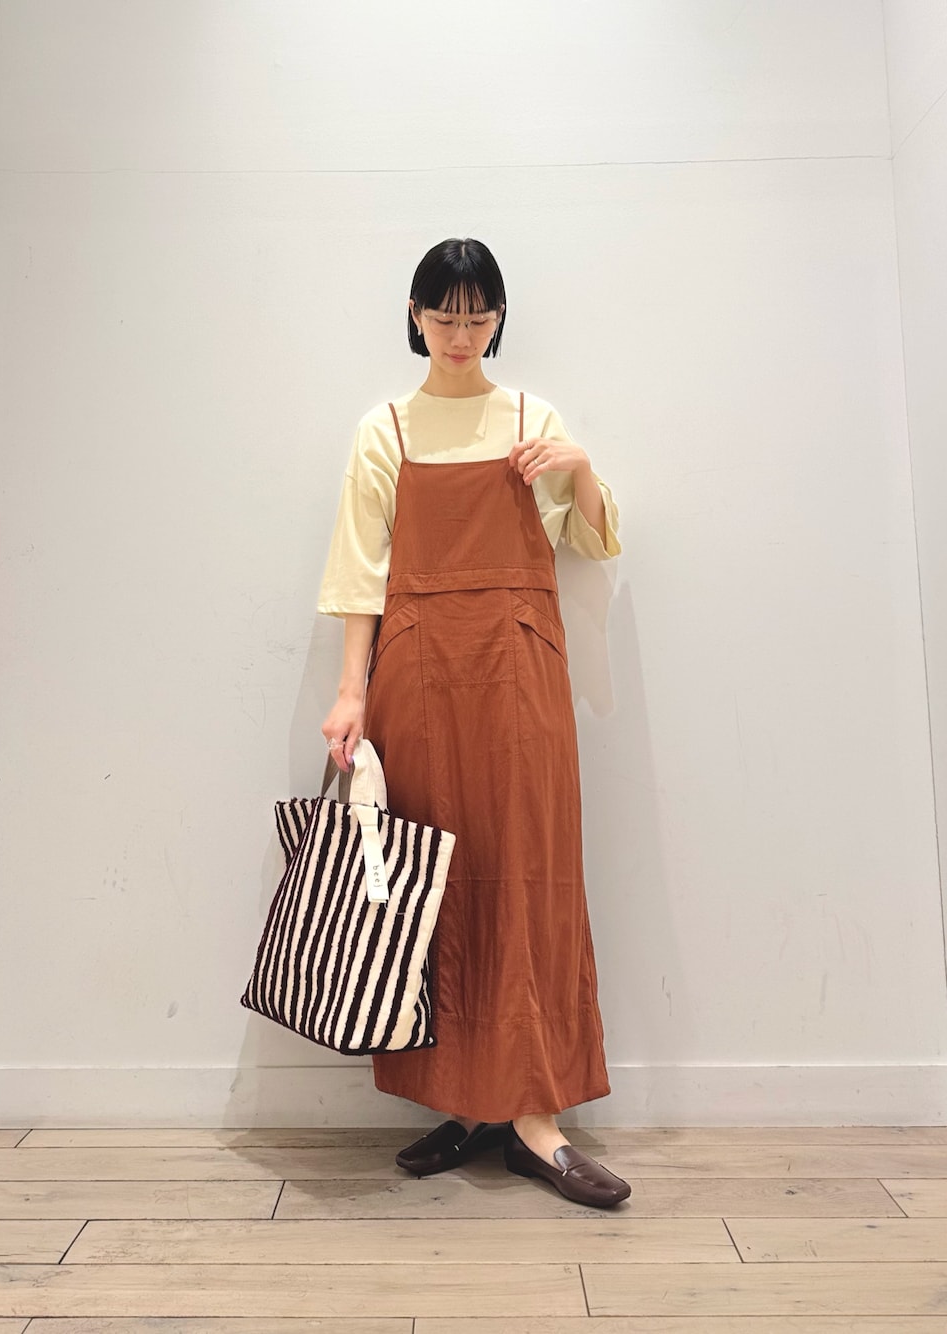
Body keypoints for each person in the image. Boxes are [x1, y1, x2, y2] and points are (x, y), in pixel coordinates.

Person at [318, 237, 630, 1209]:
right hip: (418, 673)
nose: (461, 334)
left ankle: (535, 1116)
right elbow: (359, 571)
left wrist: (580, 466)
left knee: (531, 874)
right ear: (414, 317)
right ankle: (464, 1100)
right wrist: (351, 691)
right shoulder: (386, 429)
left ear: (499, 319)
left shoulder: (533, 419)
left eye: (478, 315)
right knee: (435, 884)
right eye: (443, 315)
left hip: (519, 669)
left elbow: (595, 539)